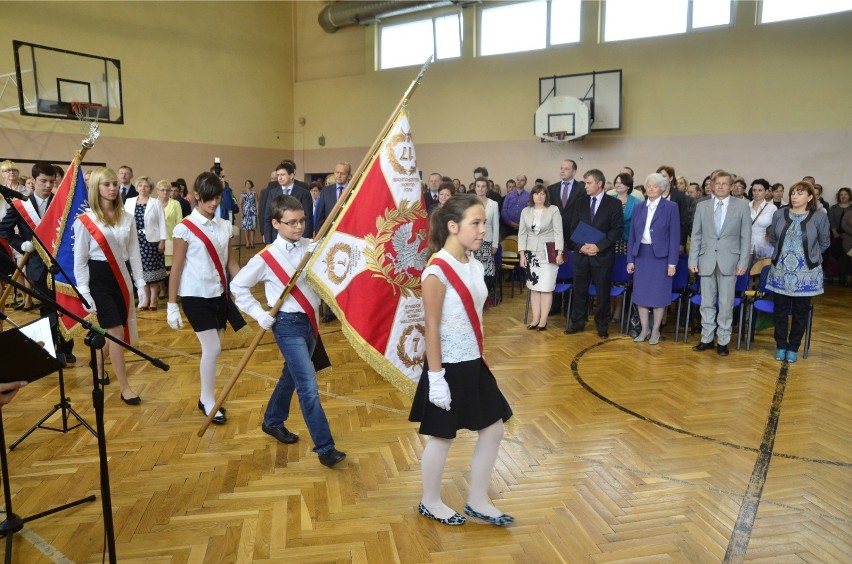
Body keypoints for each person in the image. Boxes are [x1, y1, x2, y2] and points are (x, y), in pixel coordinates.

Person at [409, 193, 513, 527]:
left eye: (484, 222)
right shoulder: (436, 272)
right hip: (447, 366)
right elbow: (432, 328)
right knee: (442, 436)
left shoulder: (475, 263)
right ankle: (430, 500)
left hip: (472, 361)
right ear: (453, 226)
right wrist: (436, 378)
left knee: (494, 429)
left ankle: (479, 499)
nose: (483, 230)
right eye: (476, 223)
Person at [230, 195, 346, 467]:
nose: (298, 227)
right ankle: (325, 448)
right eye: (291, 222)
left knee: (290, 377)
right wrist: (259, 314)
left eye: (302, 221)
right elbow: (237, 287)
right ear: (276, 223)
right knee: (308, 386)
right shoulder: (266, 257)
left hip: (310, 322)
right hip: (287, 326)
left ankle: (272, 420)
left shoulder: (311, 247)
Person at [167, 172, 241, 424]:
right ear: (197, 195)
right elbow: (176, 267)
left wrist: (241, 288)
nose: (213, 203)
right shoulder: (184, 228)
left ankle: (204, 396)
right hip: (194, 295)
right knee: (213, 348)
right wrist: (171, 305)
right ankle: (208, 400)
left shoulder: (225, 227)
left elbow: (231, 262)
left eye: (217, 197)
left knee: (213, 351)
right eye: (208, 198)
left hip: (219, 294)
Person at [73, 167, 147, 404]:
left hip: (122, 275)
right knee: (116, 333)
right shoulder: (85, 221)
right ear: (96, 187)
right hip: (99, 278)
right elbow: (80, 260)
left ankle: (97, 362)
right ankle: (125, 387)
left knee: (118, 333)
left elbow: (134, 253)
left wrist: (141, 284)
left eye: (115, 184)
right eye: (107, 184)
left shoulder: (127, 217)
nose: (113, 188)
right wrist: (84, 291)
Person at [0, 161, 75, 361]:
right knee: (48, 309)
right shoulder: (20, 206)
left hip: (62, 265)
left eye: (52, 181)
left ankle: (67, 349)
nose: (48, 186)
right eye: (43, 181)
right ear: (33, 181)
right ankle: (51, 351)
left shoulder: (61, 203)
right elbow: (4, 230)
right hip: (37, 266)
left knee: (65, 307)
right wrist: (21, 244)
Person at [688, 170, 752, 357]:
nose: (721, 186)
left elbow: (745, 236)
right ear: (712, 186)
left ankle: (723, 340)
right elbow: (696, 235)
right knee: (707, 302)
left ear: (731, 187)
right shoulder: (702, 206)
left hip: (730, 261)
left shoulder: (741, 206)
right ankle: (706, 338)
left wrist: (743, 262)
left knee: (725, 303)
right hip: (706, 259)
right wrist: (693, 259)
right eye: (718, 183)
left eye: (725, 184)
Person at [765, 181, 830, 362]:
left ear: (810, 197)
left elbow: (825, 243)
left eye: (800, 193)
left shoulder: (819, 217)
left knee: (801, 312)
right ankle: (781, 345)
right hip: (781, 271)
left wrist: (812, 258)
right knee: (780, 310)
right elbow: (773, 239)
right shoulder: (779, 214)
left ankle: (793, 347)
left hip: (806, 275)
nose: (794, 196)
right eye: (793, 193)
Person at [565, 169, 624, 338]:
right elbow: (573, 227)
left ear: (599, 184)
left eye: (589, 183)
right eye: (584, 183)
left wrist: (598, 246)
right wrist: (580, 246)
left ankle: (602, 325)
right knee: (579, 290)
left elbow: (616, 230)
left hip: (602, 255)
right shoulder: (580, 202)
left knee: (602, 292)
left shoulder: (613, 204)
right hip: (582, 254)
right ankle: (578, 322)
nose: (585, 186)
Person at [626, 173, 681, 345]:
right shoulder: (639, 207)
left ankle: (656, 330)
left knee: (658, 295)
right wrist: (630, 259)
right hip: (641, 255)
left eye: (655, 186)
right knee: (641, 295)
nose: (651, 188)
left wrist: (672, 262)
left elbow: (675, 236)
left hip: (661, 258)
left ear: (662, 189)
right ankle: (644, 329)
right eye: (648, 185)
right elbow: (632, 236)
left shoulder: (671, 207)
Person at [518, 184, 564, 330]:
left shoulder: (553, 210)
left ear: (546, 196)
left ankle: (543, 320)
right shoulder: (526, 211)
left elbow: (558, 232)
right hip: (531, 254)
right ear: (532, 196)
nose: (539, 196)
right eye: (536, 193)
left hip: (548, 254)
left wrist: (560, 252)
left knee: (546, 288)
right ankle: (535, 318)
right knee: (534, 287)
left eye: (542, 194)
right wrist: (522, 254)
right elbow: (522, 233)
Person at [124, 176, 167, 310]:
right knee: (139, 272)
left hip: (151, 242)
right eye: (141, 186)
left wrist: (162, 241)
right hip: (134, 240)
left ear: (151, 189)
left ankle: (153, 300)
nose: (143, 188)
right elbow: (125, 221)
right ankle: (144, 299)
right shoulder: (129, 202)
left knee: (151, 272)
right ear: (136, 188)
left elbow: (162, 223)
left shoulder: (156, 203)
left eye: (146, 186)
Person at [610, 173, 640, 322]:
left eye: (621, 183)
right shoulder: (610, 200)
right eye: (616, 182)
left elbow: (638, 224)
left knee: (621, 277)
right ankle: (611, 308)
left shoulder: (636, 202)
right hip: (611, 243)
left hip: (627, 242)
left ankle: (619, 311)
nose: (618, 185)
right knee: (610, 276)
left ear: (628, 185)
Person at [263, 161, 313, 244]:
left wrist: (304, 239)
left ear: (291, 175)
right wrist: (268, 241)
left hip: (297, 238)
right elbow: (267, 218)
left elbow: (307, 218)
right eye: (278, 175)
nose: (279, 178)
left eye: (282, 175)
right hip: (276, 238)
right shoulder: (272, 193)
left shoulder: (303, 193)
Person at [471, 177, 500, 294]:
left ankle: (485, 296)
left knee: (486, 272)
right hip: (472, 241)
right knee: (474, 271)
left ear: (487, 188)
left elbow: (496, 225)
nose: (480, 189)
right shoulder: (470, 203)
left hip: (488, 242)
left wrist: (495, 244)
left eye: (483, 186)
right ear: (475, 188)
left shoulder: (494, 204)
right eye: (478, 186)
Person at [157, 179, 182, 298]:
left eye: (168, 190)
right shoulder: (153, 203)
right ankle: (162, 289)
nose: (165, 192)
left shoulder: (175, 204)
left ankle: (174, 288)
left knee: (173, 266)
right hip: (157, 240)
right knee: (159, 266)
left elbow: (179, 222)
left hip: (172, 239)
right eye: (162, 190)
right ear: (157, 191)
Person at [315, 161, 351, 234]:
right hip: (330, 233)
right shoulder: (326, 191)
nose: (339, 176)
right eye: (337, 172)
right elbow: (320, 216)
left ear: (349, 175)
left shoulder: (354, 189)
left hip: (349, 233)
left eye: (342, 173)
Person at [828, 187, 851, 286]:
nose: (843, 196)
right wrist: (834, 232)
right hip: (835, 235)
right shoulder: (833, 208)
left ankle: (845, 278)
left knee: (846, 258)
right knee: (834, 255)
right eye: (841, 194)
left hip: (849, 237)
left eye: (845, 194)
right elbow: (831, 220)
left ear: (849, 196)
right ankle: (832, 276)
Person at [748, 179, 777, 261]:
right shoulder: (746, 206)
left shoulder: (772, 208)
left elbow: (775, 229)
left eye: (760, 190)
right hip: (746, 246)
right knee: (744, 272)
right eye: (754, 190)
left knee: (760, 272)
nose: (756, 193)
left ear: (766, 191)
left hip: (764, 247)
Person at [241, 180, 258, 248]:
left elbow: (257, 202)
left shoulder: (254, 193)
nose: (248, 185)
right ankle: (247, 242)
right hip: (245, 211)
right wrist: (242, 212)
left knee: (252, 228)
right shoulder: (242, 193)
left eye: (249, 183)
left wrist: (257, 211)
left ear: (251, 184)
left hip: (253, 211)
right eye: (246, 184)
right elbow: (241, 203)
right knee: (246, 228)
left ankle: (252, 242)